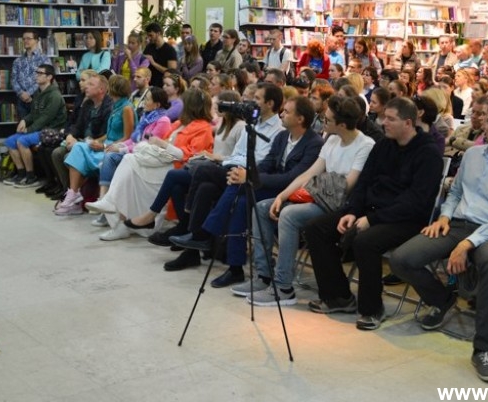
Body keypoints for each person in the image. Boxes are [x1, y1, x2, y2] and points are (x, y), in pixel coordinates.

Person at [390, 99, 488, 383]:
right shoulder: (473, 155)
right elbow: (455, 193)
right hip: (456, 224)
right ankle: (442, 299)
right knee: (401, 259)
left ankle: (484, 349)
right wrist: (444, 216)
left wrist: (466, 245)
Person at [303, 96, 443, 328]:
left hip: (406, 218)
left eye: (390, 119)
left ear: (408, 123)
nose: (383, 122)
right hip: (372, 210)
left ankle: (372, 309)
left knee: (365, 242)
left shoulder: (428, 153)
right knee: (316, 228)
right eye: (384, 117)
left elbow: (416, 201)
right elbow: (364, 182)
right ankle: (338, 296)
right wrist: (353, 211)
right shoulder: (384, 145)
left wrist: (371, 218)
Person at [174, 94, 323, 288]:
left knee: (235, 188)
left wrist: (250, 178)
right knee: (239, 199)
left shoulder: (314, 143)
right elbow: (267, 164)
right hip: (270, 185)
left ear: (300, 119)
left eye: (287, 112)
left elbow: (292, 177)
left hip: (290, 192)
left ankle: (205, 235)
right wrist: (245, 174)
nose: (282, 114)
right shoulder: (283, 137)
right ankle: (234, 267)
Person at [241, 95, 375, 307]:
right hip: (320, 196)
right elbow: (310, 173)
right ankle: (264, 275)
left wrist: (313, 187)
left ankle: (283, 286)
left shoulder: (365, 145)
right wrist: (283, 195)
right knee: (263, 207)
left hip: (341, 205)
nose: (322, 121)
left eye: (327, 119)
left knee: (289, 215)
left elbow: (348, 185)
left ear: (341, 125)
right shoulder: (332, 140)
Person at [163, 84, 286, 274]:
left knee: (202, 170)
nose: (252, 102)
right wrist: (229, 163)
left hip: (250, 175)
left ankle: (193, 232)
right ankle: (194, 247)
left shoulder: (278, 130)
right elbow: (238, 152)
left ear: (270, 103)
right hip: (233, 168)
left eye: (257, 98)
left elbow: (260, 160)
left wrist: (233, 165)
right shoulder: (252, 123)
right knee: (205, 187)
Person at [88, 88, 216, 240]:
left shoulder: (202, 128)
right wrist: (158, 144)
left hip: (175, 165)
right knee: (129, 162)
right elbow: (156, 142)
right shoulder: (179, 123)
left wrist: (162, 144)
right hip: (164, 160)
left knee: (128, 160)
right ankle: (118, 216)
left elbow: (191, 155)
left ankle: (112, 204)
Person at [130, 90, 245, 244]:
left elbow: (240, 157)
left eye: (219, 104)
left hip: (225, 170)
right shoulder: (222, 124)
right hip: (211, 166)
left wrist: (216, 157)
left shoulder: (240, 127)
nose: (215, 107)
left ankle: (152, 214)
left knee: (174, 175)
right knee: (177, 187)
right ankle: (183, 227)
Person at [55, 75, 134, 216]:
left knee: (76, 154)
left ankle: (75, 198)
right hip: (107, 144)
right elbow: (108, 134)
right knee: (78, 147)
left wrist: (102, 146)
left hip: (116, 148)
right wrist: (97, 142)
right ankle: (73, 193)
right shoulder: (115, 106)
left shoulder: (126, 108)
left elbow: (128, 137)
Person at [50, 73, 114, 209]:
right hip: (81, 140)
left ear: (101, 89)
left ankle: (76, 193)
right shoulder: (88, 104)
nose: (86, 86)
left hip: (95, 143)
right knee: (57, 153)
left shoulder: (109, 106)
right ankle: (69, 190)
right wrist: (70, 136)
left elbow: (107, 134)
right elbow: (78, 125)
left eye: (91, 84)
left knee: (68, 156)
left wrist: (85, 143)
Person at [2, 64, 67, 186]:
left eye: (40, 73)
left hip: (51, 131)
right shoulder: (38, 93)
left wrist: (29, 129)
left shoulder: (54, 95)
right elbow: (33, 113)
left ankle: (31, 176)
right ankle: (21, 174)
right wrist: (24, 121)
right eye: (36, 73)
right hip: (39, 129)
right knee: (10, 141)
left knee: (22, 141)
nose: (36, 75)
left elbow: (46, 117)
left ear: (49, 77)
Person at [10, 29, 50, 120]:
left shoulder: (44, 59)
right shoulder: (17, 61)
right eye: (24, 39)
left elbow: (45, 79)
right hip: (21, 100)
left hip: (38, 98)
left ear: (36, 40)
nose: (25, 41)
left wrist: (29, 93)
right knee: (22, 126)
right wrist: (21, 94)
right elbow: (13, 80)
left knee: (38, 125)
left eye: (28, 38)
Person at [142, 22, 178, 87]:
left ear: (158, 33)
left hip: (162, 86)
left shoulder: (170, 50)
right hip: (149, 85)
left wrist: (153, 63)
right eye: (148, 36)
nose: (149, 38)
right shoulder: (149, 47)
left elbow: (172, 73)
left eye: (151, 35)